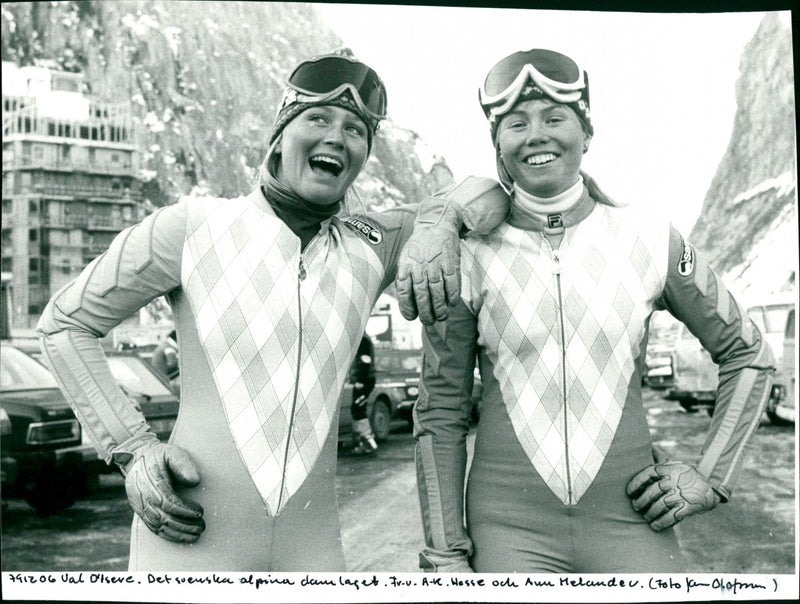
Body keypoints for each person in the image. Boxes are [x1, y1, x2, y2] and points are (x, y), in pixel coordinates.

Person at [37, 51, 510, 571]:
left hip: (312, 552)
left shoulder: (372, 242)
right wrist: (131, 448)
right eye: (318, 119)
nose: (337, 136)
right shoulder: (192, 227)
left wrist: (440, 220)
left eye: (356, 129)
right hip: (187, 542)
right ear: (280, 134)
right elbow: (64, 323)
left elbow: (494, 192)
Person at [409, 48, 776, 573]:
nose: (536, 135)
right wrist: (444, 551)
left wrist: (711, 476)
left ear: (587, 134)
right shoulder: (466, 252)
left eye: (555, 118)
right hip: (508, 529)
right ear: (498, 146)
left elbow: (749, 354)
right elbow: (440, 412)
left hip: (631, 522)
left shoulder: (648, 237)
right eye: (515, 124)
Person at [350, 334, 378, 455]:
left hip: (363, 381)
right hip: (363, 380)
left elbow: (365, 361)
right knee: (356, 409)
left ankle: (369, 444)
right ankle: (363, 442)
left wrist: (360, 380)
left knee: (359, 410)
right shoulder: (362, 338)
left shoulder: (362, 340)